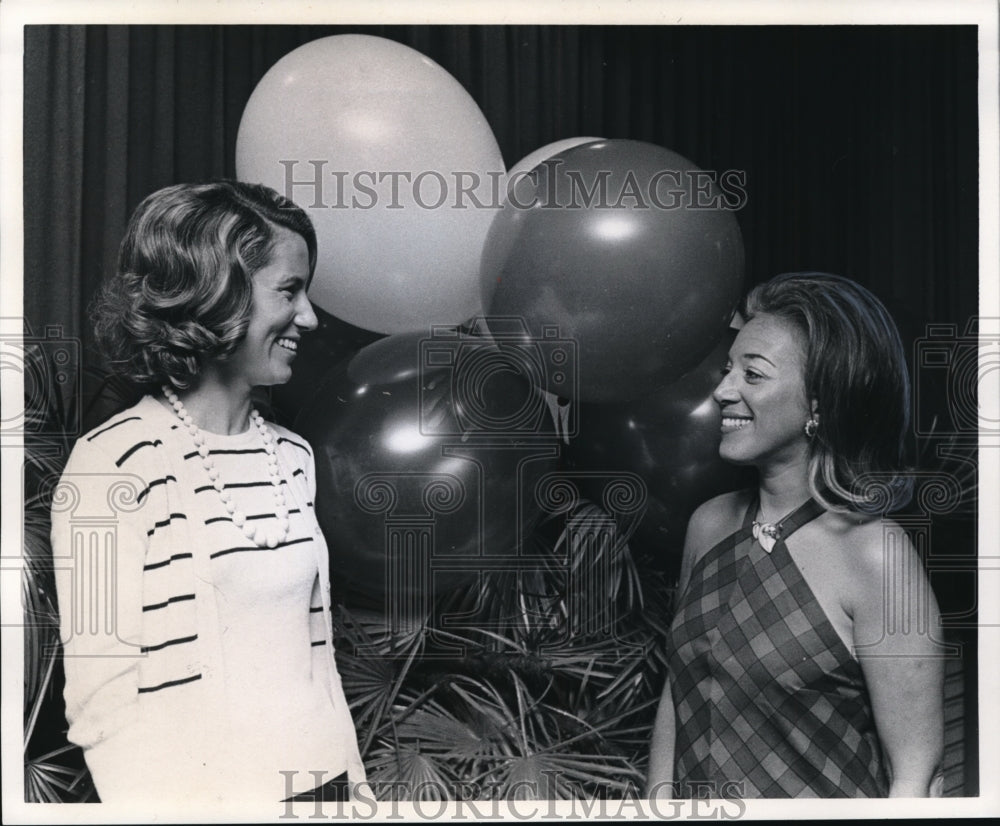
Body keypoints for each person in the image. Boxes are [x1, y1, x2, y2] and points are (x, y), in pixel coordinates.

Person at [51, 181, 366, 806]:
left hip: (320, 792)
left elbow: (318, 662)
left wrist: (353, 795)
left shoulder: (293, 458)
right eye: (289, 290)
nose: (309, 317)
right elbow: (100, 707)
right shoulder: (107, 467)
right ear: (216, 295)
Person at [646, 272, 944, 798]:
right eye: (727, 369)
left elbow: (914, 774)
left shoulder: (877, 554)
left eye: (752, 375)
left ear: (820, 403)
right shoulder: (708, 525)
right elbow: (680, 687)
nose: (721, 391)